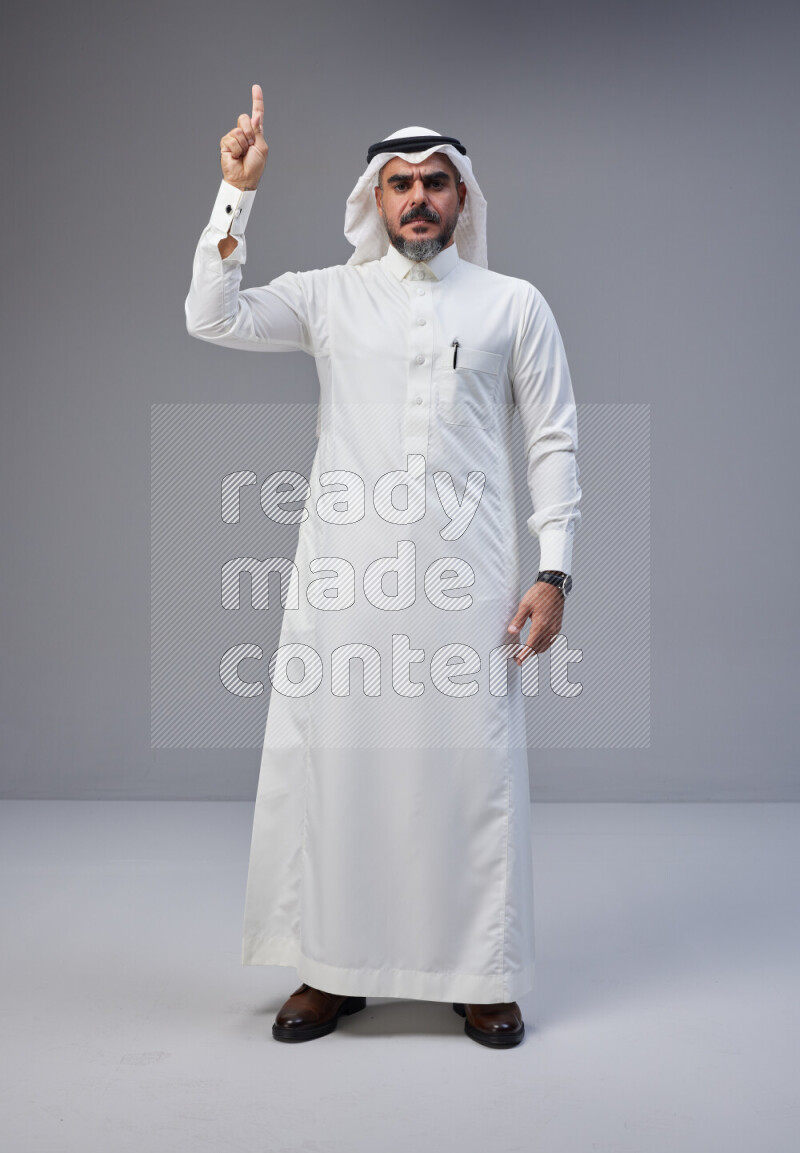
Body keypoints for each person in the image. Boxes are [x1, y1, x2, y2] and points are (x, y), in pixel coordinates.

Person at [185, 85, 582, 1049]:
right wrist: (235, 194)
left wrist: (554, 572)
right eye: (400, 183)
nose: (418, 199)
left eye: (435, 184)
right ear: (375, 196)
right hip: (346, 583)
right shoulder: (329, 294)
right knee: (342, 774)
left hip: (471, 586)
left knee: (467, 774)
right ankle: (331, 968)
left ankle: (479, 973)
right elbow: (212, 317)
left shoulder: (512, 305)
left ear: (463, 199)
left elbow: (555, 440)